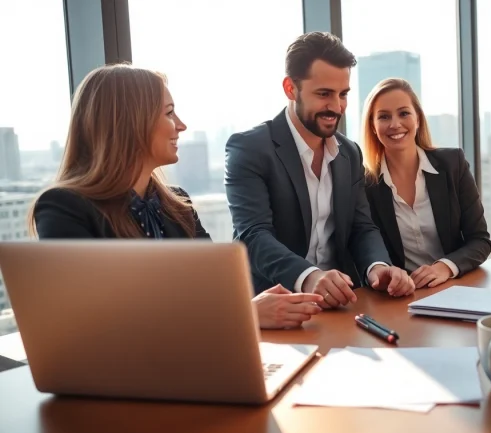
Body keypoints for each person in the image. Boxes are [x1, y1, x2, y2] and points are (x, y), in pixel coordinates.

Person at [29, 64, 322, 329]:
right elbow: (97, 320)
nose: (181, 125)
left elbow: (219, 290)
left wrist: (254, 305)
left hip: (192, 359)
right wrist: (244, 314)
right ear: (130, 122)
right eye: (169, 113)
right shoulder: (64, 207)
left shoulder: (177, 205)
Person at [225, 32, 415, 309]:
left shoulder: (349, 152)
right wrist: (310, 277)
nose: (336, 107)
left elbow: (361, 227)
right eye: (324, 94)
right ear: (291, 89)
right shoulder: (250, 148)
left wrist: (377, 267)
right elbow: (253, 235)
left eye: (343, 94)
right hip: (275, 305)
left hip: (342, 304)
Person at [361, 78, 491, 288]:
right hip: (403, 296)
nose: (395, 124)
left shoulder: (453, 164)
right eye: (384, 116)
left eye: (404, 113)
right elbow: (365, 245)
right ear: (373, 127)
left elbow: (480, 240)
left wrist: (445, 267)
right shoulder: (365, 184)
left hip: (455, 285)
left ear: (418, 119)